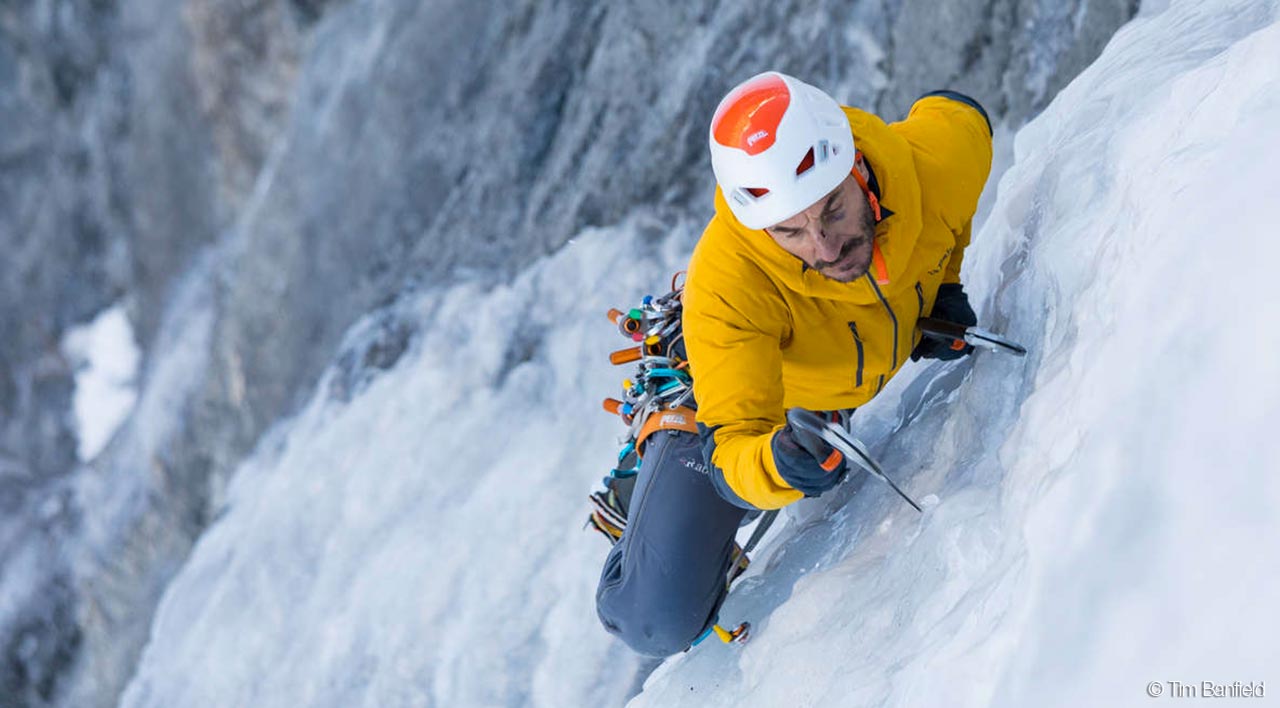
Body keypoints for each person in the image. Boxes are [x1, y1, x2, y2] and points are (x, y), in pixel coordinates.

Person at [596, 71, 993, 657]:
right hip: (719, 406)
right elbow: (733, 447)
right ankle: (648, 500)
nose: (825, 246)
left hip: (820, 376)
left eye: (833, 209)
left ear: (859, 169)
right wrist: (780, 465)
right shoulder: (729, 284)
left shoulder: (939, 164)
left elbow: (961, 113)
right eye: (791, 231)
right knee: (655, 619)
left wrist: (944, 288)